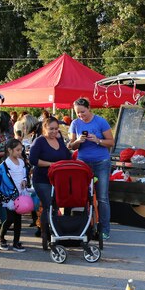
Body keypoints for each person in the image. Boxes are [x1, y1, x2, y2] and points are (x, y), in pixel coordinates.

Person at [68, 97, 114, 239]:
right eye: (77, 113)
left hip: (101, 162)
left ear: (89, 108)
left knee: (102, 197)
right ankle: (85, 226)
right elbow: (70, 146)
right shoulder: (75, 123)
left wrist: (98, 140)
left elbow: (111, 142)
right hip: (83, 163)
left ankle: (105, 229)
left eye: (83, 112)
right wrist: (77, 141)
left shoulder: (100, 121)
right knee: (82, 196)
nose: (81, 115)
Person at [29, 117, 71, 239]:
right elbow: (33, 160)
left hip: (58, 179)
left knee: (56, 205)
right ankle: (45, 233)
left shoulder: (59, 140)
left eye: (56, 129)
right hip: (42, 179)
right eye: (51, 129)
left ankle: (55, 231)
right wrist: (51, 164)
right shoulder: (39, 141)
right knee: (48, 205)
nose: (54, 131)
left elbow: (68, 156)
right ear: (44, 128)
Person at [0, 138, 30, 252]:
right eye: (17, 150)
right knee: (10, 218)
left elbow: (24, 174)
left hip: (20, 195)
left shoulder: (21, 162)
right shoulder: (4, 165)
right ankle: (1, 237)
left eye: (21, 150)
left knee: (18, 219)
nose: (20, 152)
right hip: (9, 196)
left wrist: (24, 180)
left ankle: (16, 242)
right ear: (10, 150)